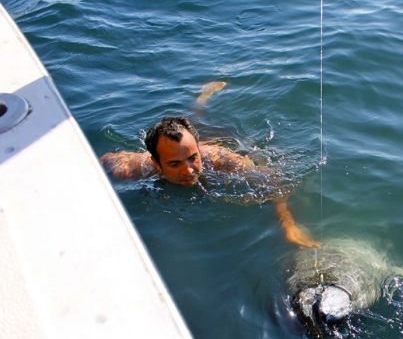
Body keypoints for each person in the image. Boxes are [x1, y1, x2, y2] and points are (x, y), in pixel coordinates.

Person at [99, 83, 318, 247]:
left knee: (200, 120)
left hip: (217, 140)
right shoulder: (138, 167)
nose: (188, 170)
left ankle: (203, 96)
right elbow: (105, 161)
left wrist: (289, 225)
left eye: (192, 158)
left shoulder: (218, 158)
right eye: (174, 164)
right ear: (157, 163)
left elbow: (272, 178)